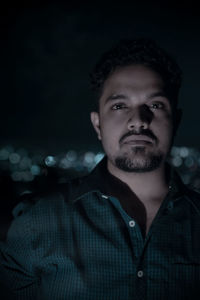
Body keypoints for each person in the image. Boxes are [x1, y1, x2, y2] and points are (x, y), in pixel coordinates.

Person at [0, 39, 200, 300]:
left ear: (177, 119)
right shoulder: (37, 223)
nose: (138, 120)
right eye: (119, 105)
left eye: (155, 105)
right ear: (97, 124)